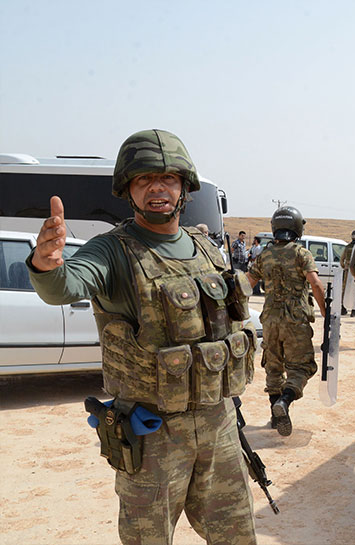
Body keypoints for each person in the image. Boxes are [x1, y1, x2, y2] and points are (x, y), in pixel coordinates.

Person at [26, 129, 258, 544]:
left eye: (168, 178)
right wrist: (46, 265)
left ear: (184, 187)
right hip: (152, 434)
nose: (157, 188)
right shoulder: (112, 250)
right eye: (144, 179)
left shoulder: (207, 248)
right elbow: (65, 286)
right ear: (127, 190)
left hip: (219, 422)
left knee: (238, 535)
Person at [246, 206, 326, 436]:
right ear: (297, 227)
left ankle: (275, 414)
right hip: (295, 320)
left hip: (270, 319)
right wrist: (325, 312)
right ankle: (285, 401)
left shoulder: (264, 255)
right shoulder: (301, 254)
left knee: (273, 365)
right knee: (301, 366)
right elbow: (315, 284)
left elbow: (247, 283)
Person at [340, 229, 355, 316]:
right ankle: (354, 310)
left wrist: (345, 267)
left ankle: (343, 308)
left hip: (347, 271)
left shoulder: (347, 247)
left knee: (345, 289)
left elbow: (342, 261)